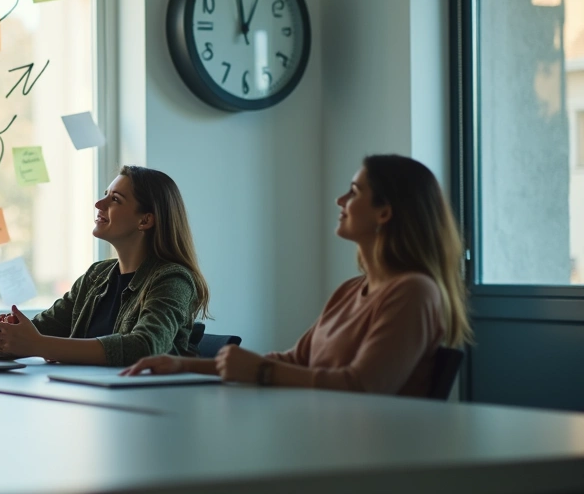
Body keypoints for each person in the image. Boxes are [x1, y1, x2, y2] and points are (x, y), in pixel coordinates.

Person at [123, 155, 472, 397]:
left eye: (354, 192)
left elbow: (363, 387)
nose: (340, 200)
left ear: (385, 212)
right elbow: (292, 361)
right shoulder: (353, 290)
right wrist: (180, 365)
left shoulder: (414, 292)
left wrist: (259, 372)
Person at [0, 165, 210, 366]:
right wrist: (10, 336)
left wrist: (37, 345)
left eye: (115, 199)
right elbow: (44, 328)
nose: (99, 204)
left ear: (145, 220)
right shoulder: (96, 275)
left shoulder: (173, 279)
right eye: (105, 195)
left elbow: (145, 346)